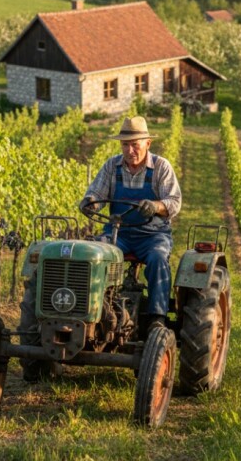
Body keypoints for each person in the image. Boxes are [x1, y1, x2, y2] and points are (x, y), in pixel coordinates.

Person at [80, 115, 182, 332]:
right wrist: (89, 203)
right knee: (93, 255)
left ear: (148, 143)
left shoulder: (161, 167)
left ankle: (157, 317)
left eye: (135, 145)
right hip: (119, 234)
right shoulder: (112, 166)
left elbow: (174, 203)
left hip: (152, 235)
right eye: (125, 145)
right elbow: (96, 194)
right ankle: (93, 310)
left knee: (158, 259)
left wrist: (156, 206)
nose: (130, 150)